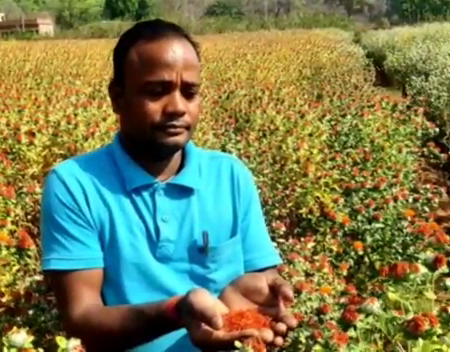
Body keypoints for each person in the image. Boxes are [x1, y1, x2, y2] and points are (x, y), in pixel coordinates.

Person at [40, 18, 298, 352]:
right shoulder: (76, 185)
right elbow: (81, 316)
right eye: (156, 91)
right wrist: (177, 311)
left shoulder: (231, 177)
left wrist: (261, 303)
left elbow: (262, 286)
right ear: (117, 98)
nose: (177, 106)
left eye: (189, 92)